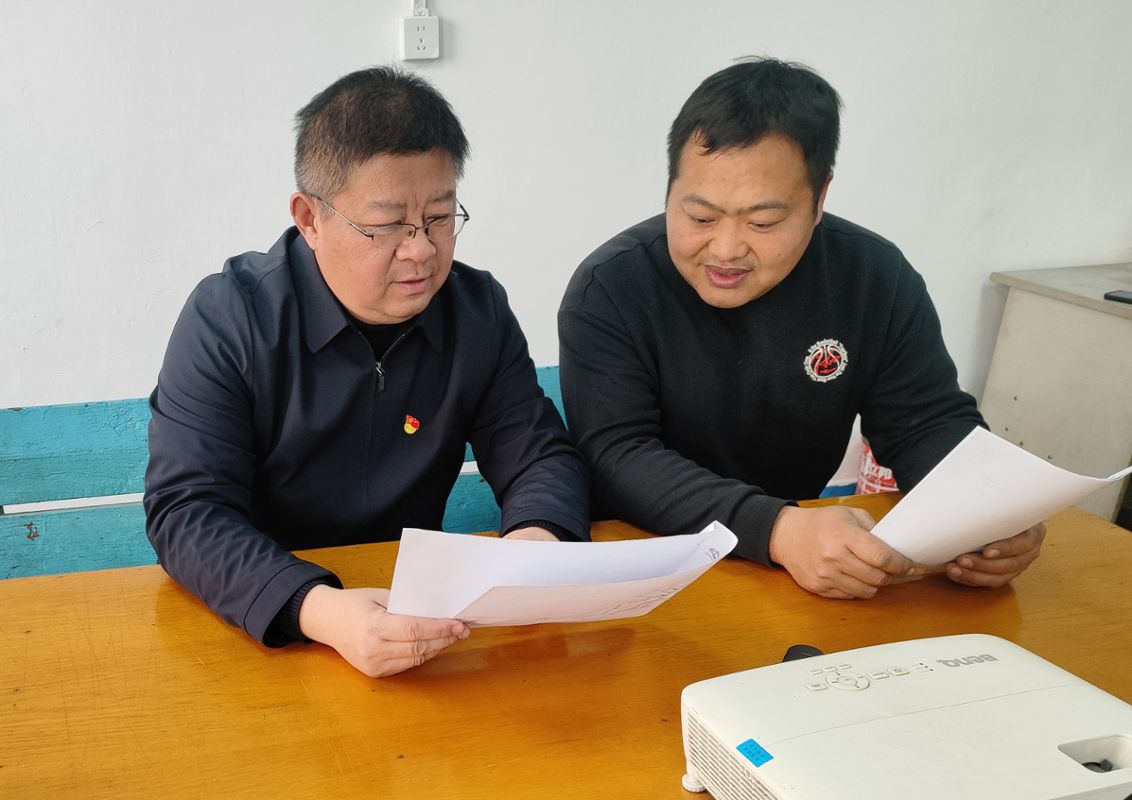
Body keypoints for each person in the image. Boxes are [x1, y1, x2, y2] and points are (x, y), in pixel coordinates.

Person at [145, 66, 589, 677]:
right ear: (310, 218)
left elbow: (539, 455)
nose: (421, 250)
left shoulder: (476, 311)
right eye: (386, 226)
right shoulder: (231, 317)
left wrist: (536, 540)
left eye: (439, 217)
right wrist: (319, 610)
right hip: (262, 627)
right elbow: (187, 510)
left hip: (417, 621)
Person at [558, 58, 1043, 600]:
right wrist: (778, 530)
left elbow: (924, 422)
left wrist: (988, 507)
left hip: (796, 575)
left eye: (763, 222)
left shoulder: (872, 277)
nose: (725, 249)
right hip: (641, 565)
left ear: (820, 197)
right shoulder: (613, 285)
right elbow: (618, 455)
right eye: (699, 217)